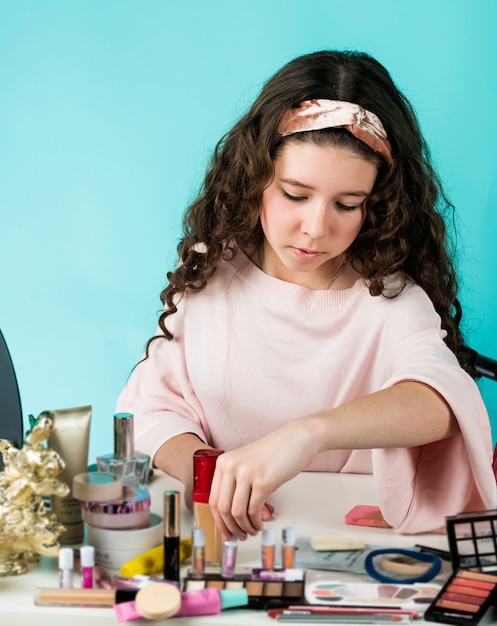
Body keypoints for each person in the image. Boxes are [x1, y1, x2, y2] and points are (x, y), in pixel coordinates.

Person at [116, 50, 496, 541]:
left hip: (345, 537)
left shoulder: (388, 297)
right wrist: (216, 476)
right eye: (295, 194)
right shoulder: (215, 269)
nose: (316, 228)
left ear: (376, 203)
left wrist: (306, 434)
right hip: (232, 535)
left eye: (347, 204)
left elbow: (444, 401)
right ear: (255, 177)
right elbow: (151, 407)